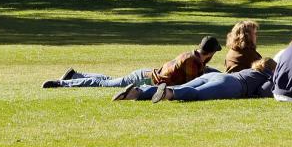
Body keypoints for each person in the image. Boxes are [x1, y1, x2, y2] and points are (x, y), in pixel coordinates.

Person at [44, 37, 222, 88]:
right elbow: (193, 85)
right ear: (211, 53)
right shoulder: (193, 62)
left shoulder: (191, 55)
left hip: (146, 74)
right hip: (144, 80)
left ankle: (75, 75)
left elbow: (205, 72)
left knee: (108, 79)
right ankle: (62, 83)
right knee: (103, 83)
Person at [118, 59, 278, 102]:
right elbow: (264, 91)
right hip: (232, 85)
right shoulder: (267, 75)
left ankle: (138, 91)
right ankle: (168, 93)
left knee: (183, 86)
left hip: (216, 76)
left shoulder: (251, 69)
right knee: (196, 94)